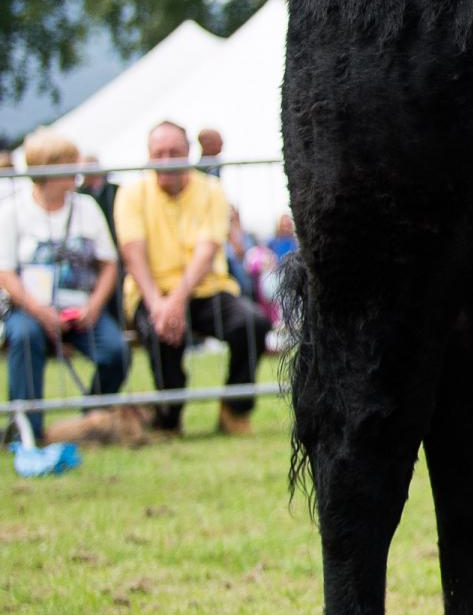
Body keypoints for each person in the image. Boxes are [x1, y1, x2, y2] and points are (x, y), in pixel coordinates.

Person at [115, 120, 271, 436]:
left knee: (252, 322)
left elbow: (207, 249)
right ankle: (169, 419)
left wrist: (176, 301)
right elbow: (133, 252)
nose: (167, 159)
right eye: (159, 152)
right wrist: (160, 304)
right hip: (151, 293)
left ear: (188, 153)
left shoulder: (211, 191)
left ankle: (235, 408)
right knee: (162, 336)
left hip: (207, 289)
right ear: (148, 156)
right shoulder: (131, 193)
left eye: (174, 151)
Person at [0, 127, 131, 443]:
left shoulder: (86, 208)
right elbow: (5, 272)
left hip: (81, 310)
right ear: (46, 169)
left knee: (116, 351)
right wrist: (40, 311)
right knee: (24, 337)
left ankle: (92, 419)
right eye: (68, 164)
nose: (76, 170)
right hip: (30, 309)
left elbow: (108, 263)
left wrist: (93, 307)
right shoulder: (13, 211)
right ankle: (28, 430)